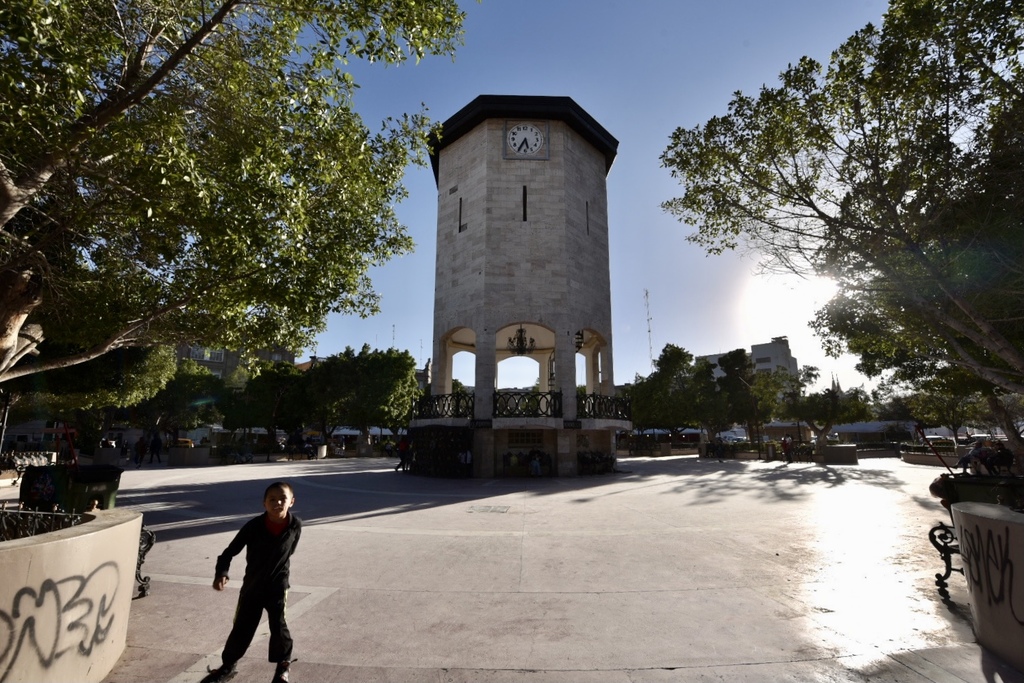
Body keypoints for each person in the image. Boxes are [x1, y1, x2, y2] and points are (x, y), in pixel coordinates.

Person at [202, 482, 302, 683]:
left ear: (292, 501)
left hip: (277, 586)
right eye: (272, 499)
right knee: (242, 627)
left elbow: (289, 552)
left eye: (282, 498)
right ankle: (228, 666)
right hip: (253, 587)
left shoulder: (295, 524)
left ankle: (283, 665)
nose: (277, 503)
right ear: (264, 503)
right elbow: (228, 553)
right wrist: (221, 573)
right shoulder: (253, 526)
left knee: (279, 625)